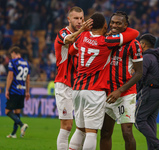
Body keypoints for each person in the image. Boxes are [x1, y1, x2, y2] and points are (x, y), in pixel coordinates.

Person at [68, 13, 139, 150]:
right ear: (105, 26)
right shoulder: (106, 42)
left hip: (77, 89)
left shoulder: (83, 36)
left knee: (79, 129)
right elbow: (134, 33)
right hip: (94, 91)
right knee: (91, 132)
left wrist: (82, 30)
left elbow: (71, 50)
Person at [100, 11, 143, 150]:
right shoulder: (106, 41)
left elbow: (139, 73)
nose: (114, 25)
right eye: (112, 22)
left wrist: (120, 90)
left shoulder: (133, 44)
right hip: (107, 94)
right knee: (105, 132)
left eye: (118, 23)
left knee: (127, 132)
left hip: (125, 94)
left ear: (126, 25)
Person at [54, 6, 93, 150]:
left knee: (83, 126)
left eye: (81, 18)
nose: (79, 21)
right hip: (64, 84)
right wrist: (83, 30)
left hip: (80, 86)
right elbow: (69, 39)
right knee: (67, 125)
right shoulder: (63, 33)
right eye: (76, 18)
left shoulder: (84, 35)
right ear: (68, 19)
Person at [134, 33, 159, 150]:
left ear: (143, 44)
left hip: (150, 92)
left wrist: (135, 93)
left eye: (140, 43)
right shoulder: (158, 56)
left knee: (138, 119)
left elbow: (140, 76)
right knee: (150, 121)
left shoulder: (147, 57)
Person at [5, 46, 30, 138]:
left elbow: (10, 76)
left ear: (15, 53)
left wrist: (7, 89)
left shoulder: (13, 62)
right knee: (17, 112)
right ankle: (14, 133)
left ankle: (22, 125)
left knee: (7, 111)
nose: (11, 57)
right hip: (22, 91)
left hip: (14, 90)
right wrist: (27, 91)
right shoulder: (26, 63)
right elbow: (28, 79)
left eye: (12, 55)